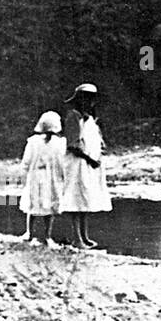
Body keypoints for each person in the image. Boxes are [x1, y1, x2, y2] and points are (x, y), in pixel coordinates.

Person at [60, 83, 111, 248]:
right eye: (86, 99)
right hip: (77, 163)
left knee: (85, 199)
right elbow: (73, 145)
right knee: (76, 199)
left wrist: (97, 157)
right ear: (79, 100)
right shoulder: (73, 116)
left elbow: (97, 141)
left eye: (91, 99)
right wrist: (89, 159)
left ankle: (84, 235)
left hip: (89, 164)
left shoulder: (89, 119)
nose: (89, 103)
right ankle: (77, 238)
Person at [19, 111, 65, 248]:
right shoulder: (37, 142)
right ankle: (37, 234)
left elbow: (60, 161)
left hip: (43, 176)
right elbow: (26, 161)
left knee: (42, 204)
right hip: (42, 176)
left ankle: (39, 234)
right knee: (39, 204)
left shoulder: (55, 143)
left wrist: (61, 177)